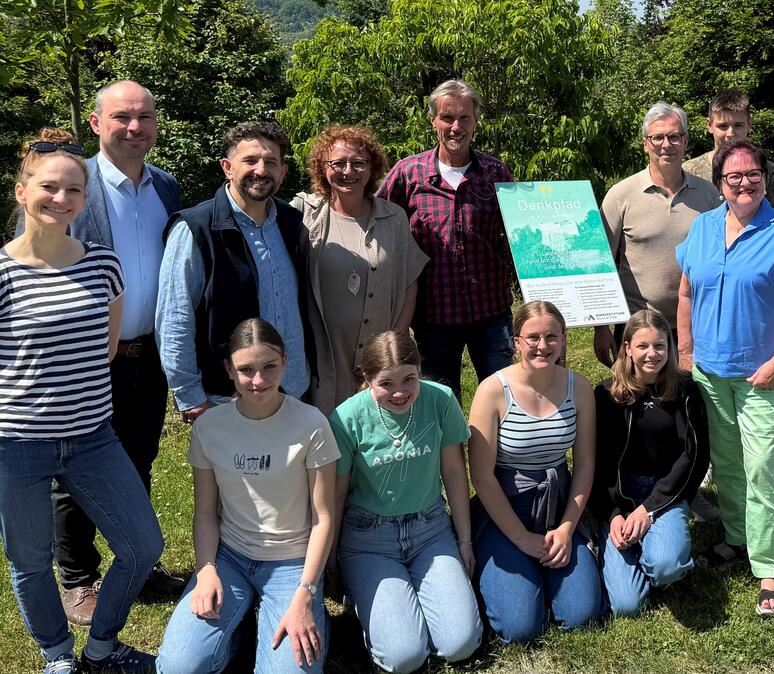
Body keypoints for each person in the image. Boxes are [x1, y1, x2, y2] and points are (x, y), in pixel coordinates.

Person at [0, 128, 163, 673]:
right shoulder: (2, 272)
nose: (61, 199)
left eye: (74, 191)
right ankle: (56, 657)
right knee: (29, 562)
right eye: (49, 187)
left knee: (142, 546)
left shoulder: (102, 264)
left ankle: (101, 648)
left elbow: (108, 346)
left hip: (93, 436)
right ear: (21, 191)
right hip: (17, 442)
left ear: (84, 200)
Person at [39, 80, 185, 625]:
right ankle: (77, 577)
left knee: (137, 461)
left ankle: (137, 562)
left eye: (144, 117)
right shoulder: (71, 186)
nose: (134, 127)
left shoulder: (166, 188)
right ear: (97, 124)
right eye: (122, 117)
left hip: (148, 357)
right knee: (71, 468)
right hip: (84, 355)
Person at [676, 139, 774, 617]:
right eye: (733, 176)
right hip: (711, 371)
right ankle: (736, 539)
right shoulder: (702, 228)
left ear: (764, 177)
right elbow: (686, 293)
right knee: (728, 463)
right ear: (719, 184)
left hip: (762, 374)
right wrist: (687, 352)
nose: (744, 182)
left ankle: (769, 568)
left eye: (752, 173)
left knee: (760, 468)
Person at [156, 318, 338, 673]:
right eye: (246, 370)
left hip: (292, 564)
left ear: (286, 361)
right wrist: (206, 569)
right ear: (228, 370)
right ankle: (237, 630)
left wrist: (305, 594)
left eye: (270, 367)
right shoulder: (210, 427)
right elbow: (206, 513)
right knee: (178, 666)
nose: (259, 381)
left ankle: (311, 619)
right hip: (230, 558)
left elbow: (324, 518)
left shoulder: (312, 424)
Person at [596, 102, 721, 523]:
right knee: (635, 411)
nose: (666, 144)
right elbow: (601, 261)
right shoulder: (622, 194)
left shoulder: (708, 195)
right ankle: (624, 495)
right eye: (658, 137)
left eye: (675, 136)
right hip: (637, 325)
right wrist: (600, 327)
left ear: (687, 141)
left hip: (695, 325)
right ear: (645, 142)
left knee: (690, 410)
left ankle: (690, 489)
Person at [330, 331, 482, 673]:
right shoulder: (346, 418)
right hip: (369, 538)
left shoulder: (440, 400)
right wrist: (332, 557)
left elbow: (456, 474)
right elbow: (336, 494)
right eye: (386, 383)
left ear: (420, 370)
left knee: (460, 643)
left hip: (430, 530)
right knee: (404, 657)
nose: (400, 392)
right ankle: (371, 599)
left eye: (409, 379)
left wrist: (465, 541)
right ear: (367, 379)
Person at [157, 121, 313, 423]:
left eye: (271, 162)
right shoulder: (196, 228)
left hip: (292, 393)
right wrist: (190, 397)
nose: (261, 170)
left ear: (283, 171)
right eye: (250, 160)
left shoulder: (292, 223)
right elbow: (175, 319)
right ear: (227, 167)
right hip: (225, 399)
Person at [468, 300, 601, 642]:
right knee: (521, 628)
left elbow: (584, 463)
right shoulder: (492, 391)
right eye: (533, 338)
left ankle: (544, 576)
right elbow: (481, 476)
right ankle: (510, 573)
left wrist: (568, 528)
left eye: (552, 336)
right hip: (505, 506)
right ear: (516, 341)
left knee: (582, 614)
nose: (543, 346)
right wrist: (521, 539)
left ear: (564, 339)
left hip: (558, 503)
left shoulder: (579, 387)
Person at [378, 79, 515, 399]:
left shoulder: (495, 173)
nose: (456, 126)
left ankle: (498, 451)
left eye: (464, 118)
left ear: (476, 120)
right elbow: (378, 222)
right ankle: (449, 451)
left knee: (506, 398)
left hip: (492, 313)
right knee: (440, 402)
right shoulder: (407, 174)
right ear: (433, 120)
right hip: (432, 316)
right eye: (447, 118)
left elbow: (519, 235)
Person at [293, 125, 428, 415]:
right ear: (321, 167)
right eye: (338, 163)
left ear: (372, 169)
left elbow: (409, 282)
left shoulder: (394, 217)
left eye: (358, 163)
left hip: (379, 354)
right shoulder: (303, 214)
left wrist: (392, 346)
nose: (348, 171)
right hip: (324, 355)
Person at [591, 309, 710, 616]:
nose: (652, 354)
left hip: (665, 492)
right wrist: (615, 513)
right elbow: (598, 462)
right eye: (642, 346)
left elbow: (693, 457)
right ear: (627, 347)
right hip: (620, 494)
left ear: (669, 347)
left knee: (666, 568)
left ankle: (657, 548)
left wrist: (650, 510)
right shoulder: (605, 395)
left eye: (659, 346)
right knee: (627, 605)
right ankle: (613, 542)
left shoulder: (685, 391)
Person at [682, 89, 774, 209]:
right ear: (709, 125)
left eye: (738, 125)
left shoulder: (767, 170)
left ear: (749, 124)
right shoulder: (689, 172)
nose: (730, 133)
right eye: (723, 126)